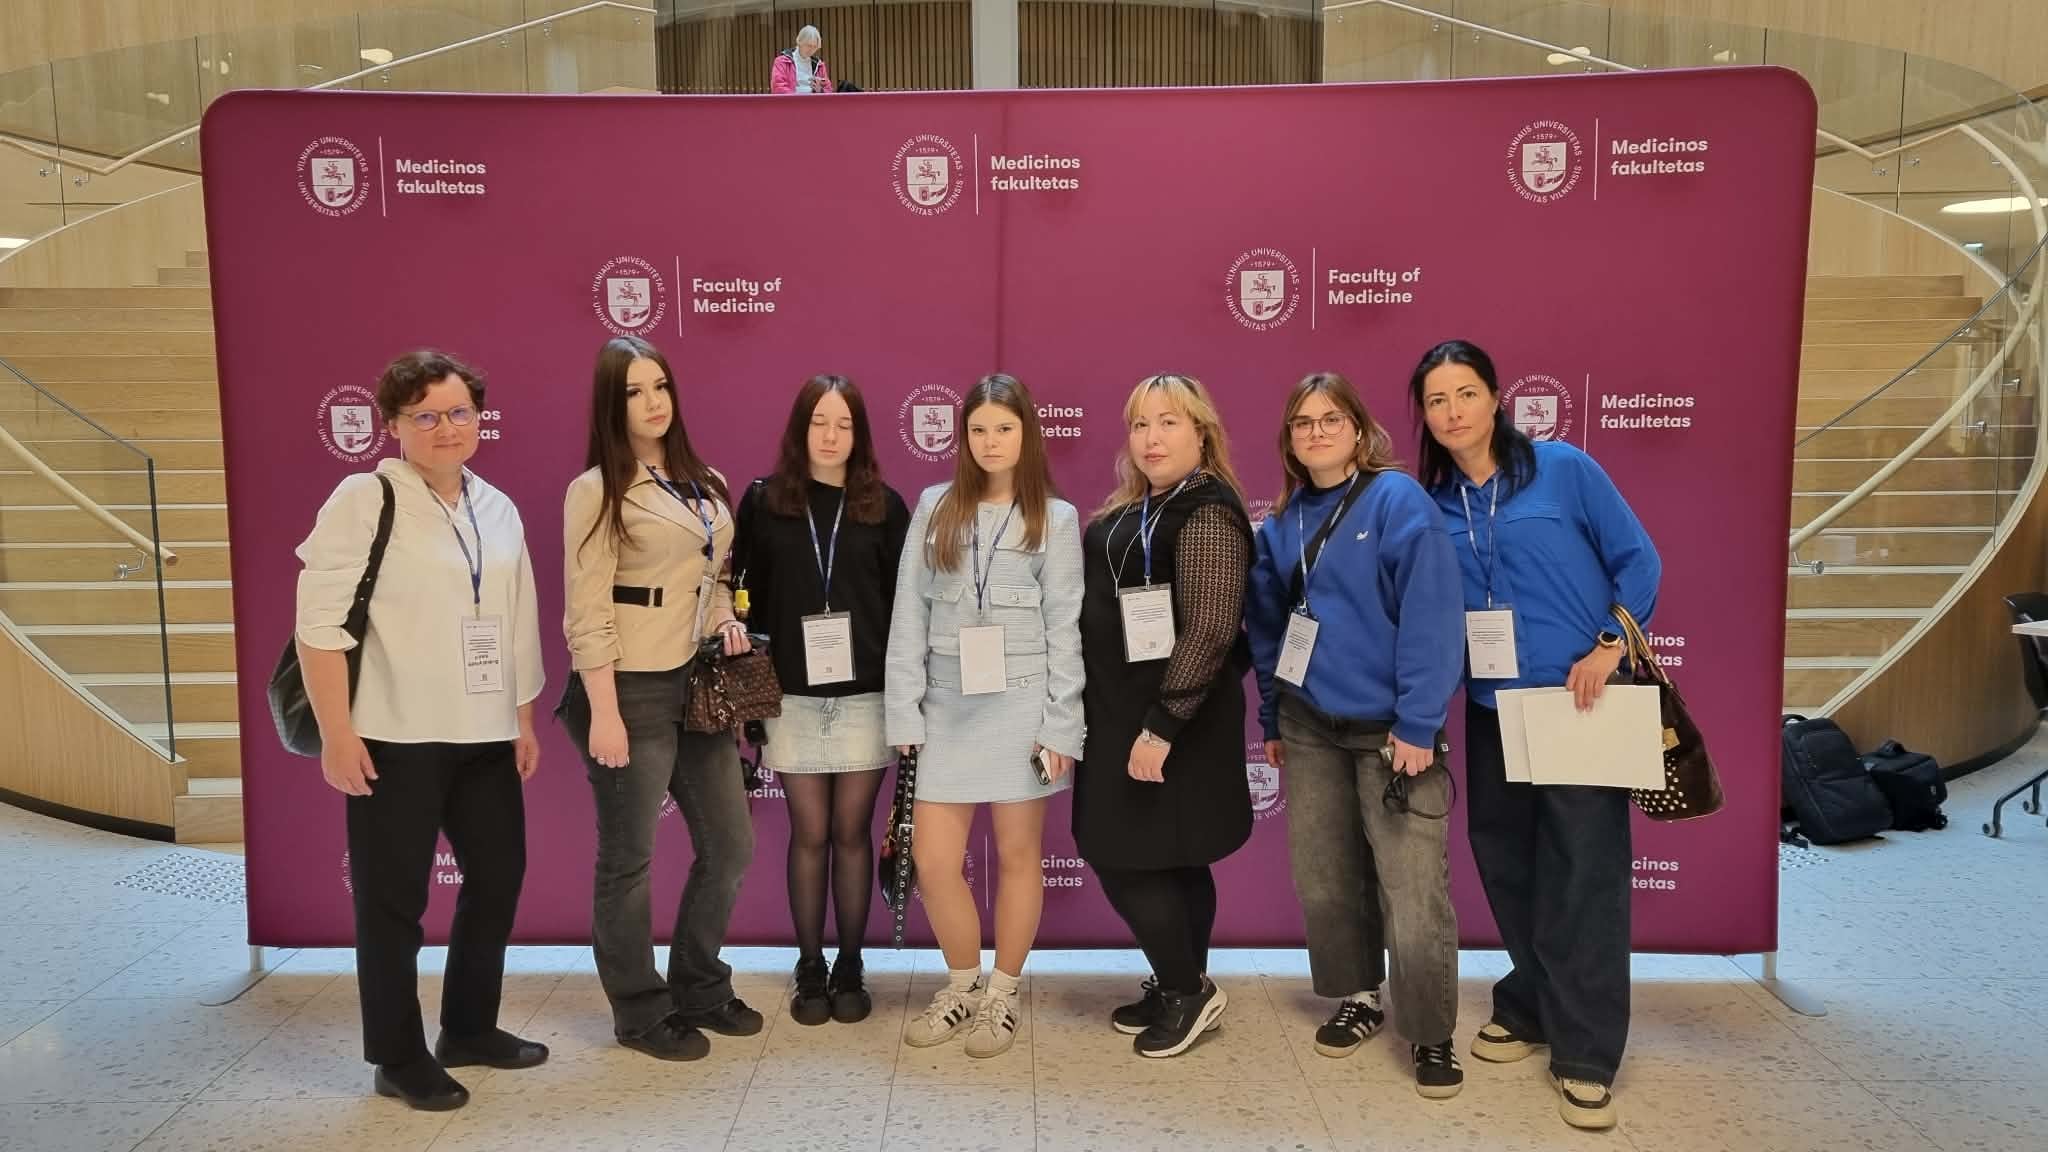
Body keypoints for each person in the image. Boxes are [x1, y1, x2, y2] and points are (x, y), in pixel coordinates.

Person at [1412, 339, 1660, 1131]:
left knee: (1584, 873)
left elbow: (1639, 561)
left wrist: (1610, 646)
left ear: (1495, 398)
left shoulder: (1563, 469)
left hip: (1577, 702)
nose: (1453, 412)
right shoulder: (1434, 503)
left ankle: (1586, 1052)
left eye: (1466, 393)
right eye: (1437, 400)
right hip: (1494, 710)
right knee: (1508, 863)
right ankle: (1530, 1002)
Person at [293, 349, 546, 1112]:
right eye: (426, 415)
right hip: (393, 736)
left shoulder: (497, 507)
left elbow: (518, 619)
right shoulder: (365, 498)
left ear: (480, 418)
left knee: (497, 877)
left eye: (460, 411)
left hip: (485, 736)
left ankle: (468, 1027)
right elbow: (319, 626)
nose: (446, 428)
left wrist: (522, 718)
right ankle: (397, 1056)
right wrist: (338, 733)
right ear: (395, 425)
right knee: (392, 904)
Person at [1245, 372, 1466, 1097]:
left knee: (1413, 887)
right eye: (1302, 423)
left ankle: (1431, 1033)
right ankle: (1359, 997)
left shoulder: (1397, 500)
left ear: (1359, 429)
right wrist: (1273, 717)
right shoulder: (1281, 524)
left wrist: (1418, 722)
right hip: (1309, 725)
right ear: (1288, 439)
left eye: (1330, 419)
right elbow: (1270, 632)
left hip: (1392, 731)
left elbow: (1433, 616)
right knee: (1325, 876)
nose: (1316, 432)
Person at [558, 335, 761, 1063]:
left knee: (730, 845)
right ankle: (639, 1010)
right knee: (629, 857)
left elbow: (713, 578)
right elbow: (587, 610)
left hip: (696, 682)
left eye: (660, 386)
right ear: (612, 407)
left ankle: (700, 985)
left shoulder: (706, 481)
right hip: (629, 687)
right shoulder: (596, 490)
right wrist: (604, 711)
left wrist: (725, 620)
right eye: (634, 392)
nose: (652, 402)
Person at [884, 373, 1084, 1059]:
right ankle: (963, 985)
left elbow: (1065, 630)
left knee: (1019, 856)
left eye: (1004, 428)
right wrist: (904, 712)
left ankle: (1003, 994)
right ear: (962, 437)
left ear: (1026, 434)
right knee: (935, 860)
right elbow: (909, 614)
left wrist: (1060, 725)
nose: (990, 442)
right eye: (978, 430)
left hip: (1023, 708)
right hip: (945, 706)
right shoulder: (935, 506)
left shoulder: (1055, 518)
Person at [1075, 373, 1254, 1059]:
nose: (1151, 438)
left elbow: (1210, 628)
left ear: (1201, 433)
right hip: (1117, 711)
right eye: (1140, 424)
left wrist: (1162, 725)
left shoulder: (1208, 510)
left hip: (1175, 720)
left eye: (1169, 422)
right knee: (1173, 861)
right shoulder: (1135, 508)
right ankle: (1181, 979)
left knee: (1123, 853)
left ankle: (1186, 991)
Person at [729, 375, 911, 1026]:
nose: (830, 436)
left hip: (866, 696)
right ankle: (810, 965)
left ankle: (852, 964)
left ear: (859, 434)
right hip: (791, 697)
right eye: (819, 422)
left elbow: (906, 609)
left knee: (851, 835)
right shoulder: (764, 501)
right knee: (808, 834)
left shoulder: (885, 506)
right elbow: (739, 591)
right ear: (799, 428)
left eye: (844, 424)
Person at [771, 25, 833, 94]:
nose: (811, 50)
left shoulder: (819, 65)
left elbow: (829, 90)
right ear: (799, 42)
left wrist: (821, 90)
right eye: (809, 45)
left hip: (813, 100)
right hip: (791, 100)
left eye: (815, 47)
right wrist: (797, 98)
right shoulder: (782, 62)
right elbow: (778, 87)